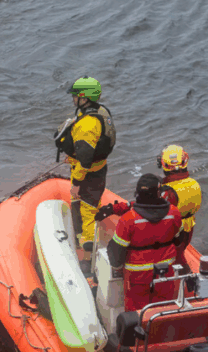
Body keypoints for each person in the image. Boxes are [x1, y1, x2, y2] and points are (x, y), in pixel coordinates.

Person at [54, 76, 116, 257]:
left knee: (87, 209)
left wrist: (77, 182)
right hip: (98, 168)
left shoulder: (88, 124)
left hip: (89, 174)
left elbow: (85, 159)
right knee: (78, 203)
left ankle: (88, 249)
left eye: (75, 96)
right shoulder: (100, 110)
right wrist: (73, 158)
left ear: (84, 98)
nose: (73, 99)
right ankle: (80, 235)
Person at [101, 174, 182, 311]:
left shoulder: (128, 220)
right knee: (163, 309)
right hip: (165, 272)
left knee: (137, 312)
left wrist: (118, 270)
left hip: (137, 277)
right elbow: (179, 239)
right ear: (158, 193)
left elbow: (116, 254)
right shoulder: (174, 213)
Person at [157, 145, 202, 263]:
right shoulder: (194, 183)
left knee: (176, 258)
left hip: (173, 233)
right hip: (189, 228)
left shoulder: (167, 192)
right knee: (179, 254)